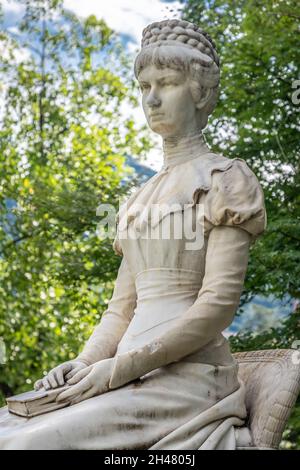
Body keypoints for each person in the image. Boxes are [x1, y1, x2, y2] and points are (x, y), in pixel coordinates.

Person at [0, 18, 266, 450]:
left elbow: (218, 305)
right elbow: (120, 311)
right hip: (122, 374)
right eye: (144, 86)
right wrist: (85, 361)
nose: (153, 98)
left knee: (29, 446)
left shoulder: (225, 179)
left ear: (198, 91)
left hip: (188, 380)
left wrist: (120, 367)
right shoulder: (138, 199)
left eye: (167, 83)